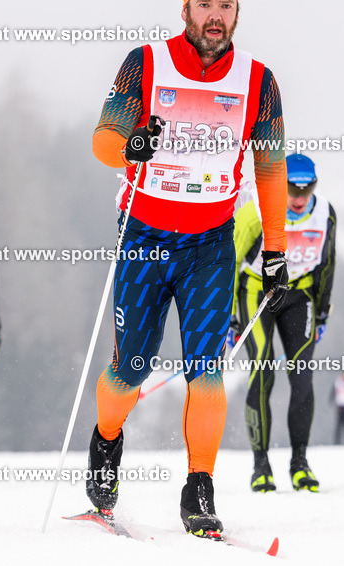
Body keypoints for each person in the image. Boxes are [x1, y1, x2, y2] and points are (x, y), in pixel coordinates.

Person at [85, 0, 288, 537]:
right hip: (145, 237)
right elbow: (104, 141)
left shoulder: (259, 81)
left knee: (207, 369)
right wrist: (134, 146)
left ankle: (199, 489)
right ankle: (106, 443)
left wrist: (275, 248)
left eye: (226, 6)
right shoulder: (145, 62)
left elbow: (270, 169)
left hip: (211, 245)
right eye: (206, 5)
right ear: (186, 9)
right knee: (130, 368)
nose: (216, 16)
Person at [229, 153, 336, 492]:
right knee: (262, 371)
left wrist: (321, 312)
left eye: (308, 188)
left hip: (298, 295)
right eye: (292, 188)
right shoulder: (256, 211)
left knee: (302, 376)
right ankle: (261, 466)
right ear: (280, 184)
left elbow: (326, 265)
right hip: (254, 293)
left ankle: (299, 463)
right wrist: (229, 318)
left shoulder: (324, 214)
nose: (300, 197)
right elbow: (228, 263)